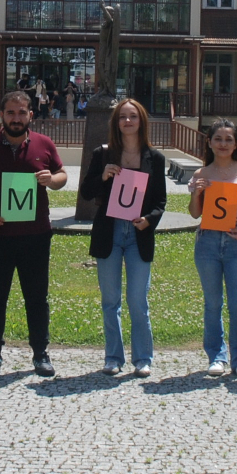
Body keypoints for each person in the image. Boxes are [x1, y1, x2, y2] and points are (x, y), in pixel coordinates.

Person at [0, 90, 69, 377]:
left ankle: (41, 354)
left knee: (37, 296)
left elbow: (62, 176)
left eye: (22, 113)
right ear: (2, 115)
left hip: (36, 235)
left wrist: (52, 179)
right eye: (10, 112)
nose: (16, 118)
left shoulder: (44, 144)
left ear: (31, 115)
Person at [79, 99, 167, 377]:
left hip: (138, 233)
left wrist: (149, 220)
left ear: (142, 121)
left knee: (138, 301)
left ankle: (143, 358)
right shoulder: (103, 154)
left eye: (133, 116)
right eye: (122, 117)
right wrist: (103, 177)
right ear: (116, 123)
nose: (128, 121)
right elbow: (86, 192)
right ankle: (113, 357)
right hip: (110, 232)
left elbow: (160, 201)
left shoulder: (155, 158)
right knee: (110, 300)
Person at [188, 119, 237, 378]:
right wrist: (196, 194)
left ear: (235, 144)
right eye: (218, 139)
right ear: (209, 142)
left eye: (228, 139)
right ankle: (216, 357)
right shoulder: (201, 174)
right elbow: (195, 213)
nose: (223, 144)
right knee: (212, 303)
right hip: (208, 241)